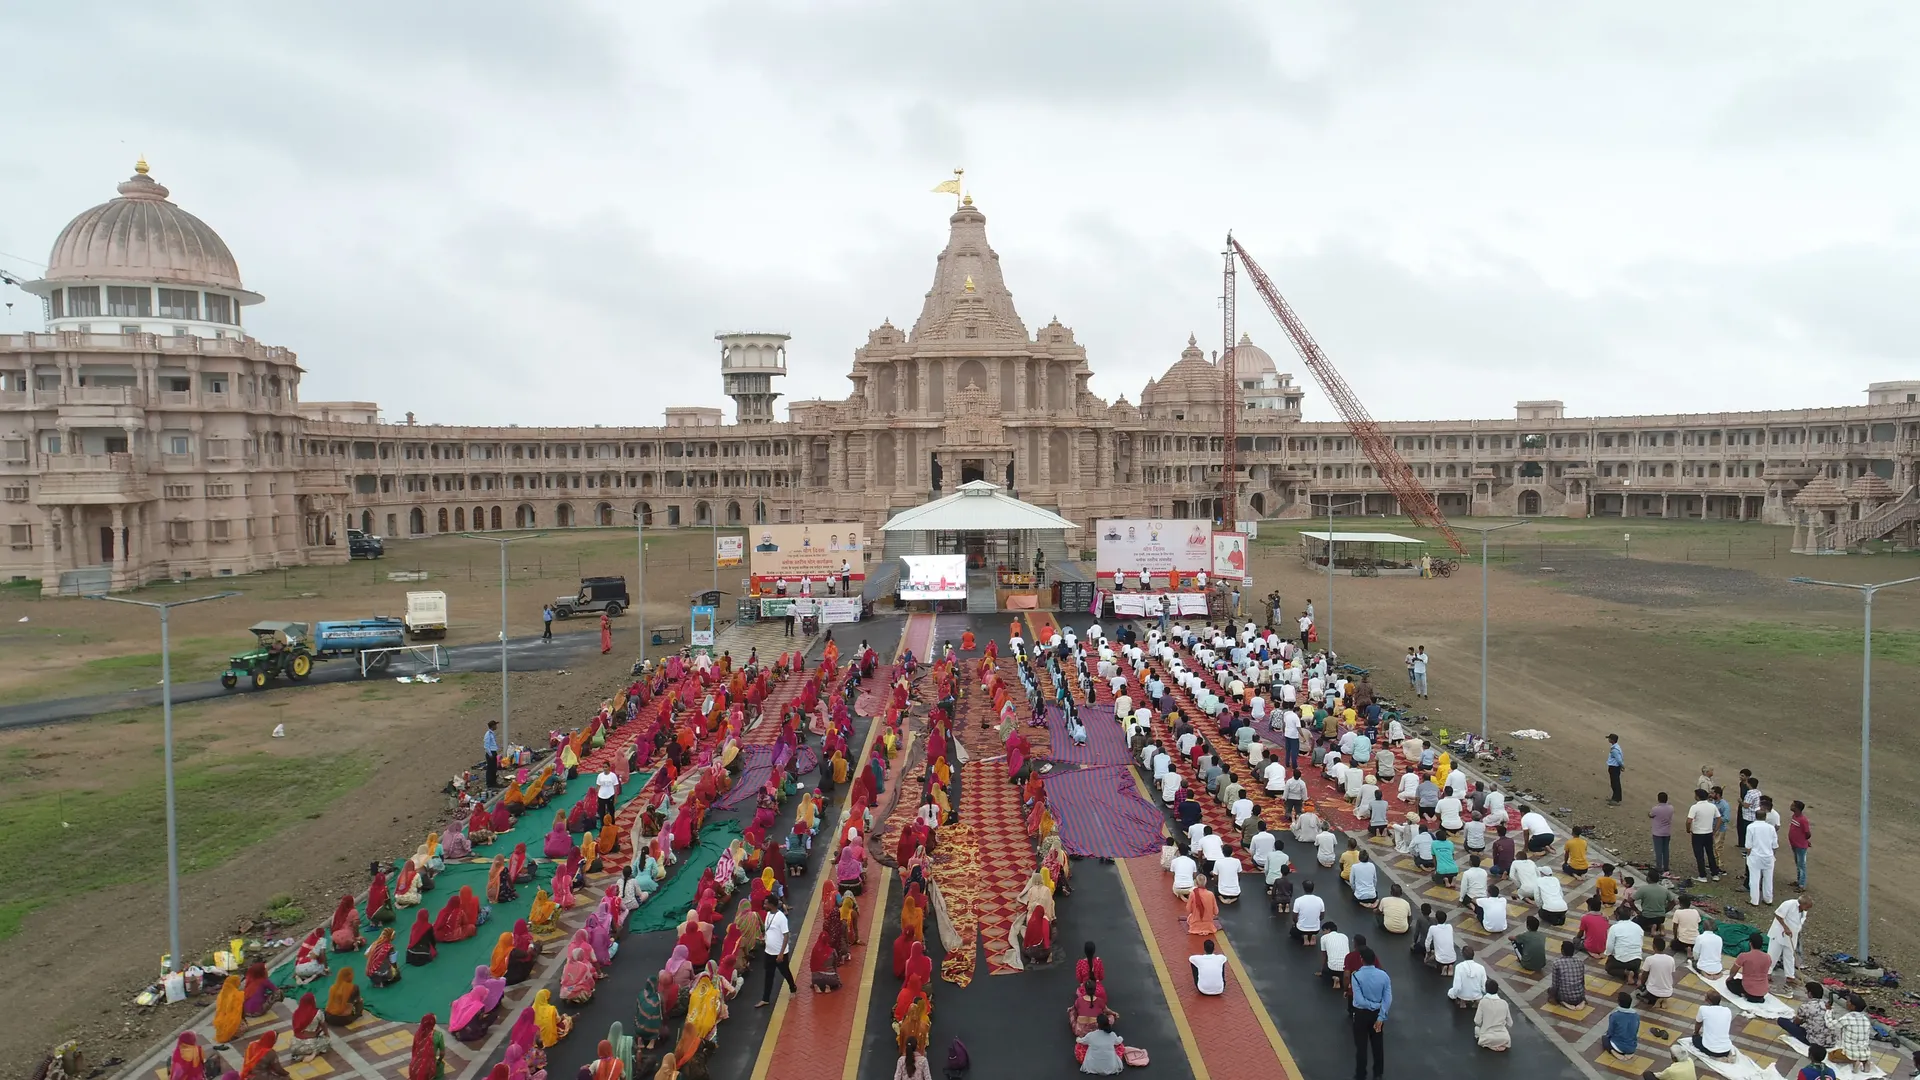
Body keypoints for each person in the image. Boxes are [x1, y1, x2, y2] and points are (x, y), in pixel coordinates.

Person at [1348, 948, 1391, 1080]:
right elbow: (1387, 998)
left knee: (1361, 1047)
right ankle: (1378, 1074)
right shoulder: (1384, 976)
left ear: (1362, 960)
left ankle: (1361, 1074)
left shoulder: (1356, 976)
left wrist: (1372, 1005)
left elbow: (1359, 1000)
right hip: (1377, 1017)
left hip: (1361, 1015)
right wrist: (1380, 1016)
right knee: (1378, 1045)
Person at [757, 898, 795, 1007]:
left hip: (779, 953)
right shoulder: (768, 915)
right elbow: (769, 930)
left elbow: (786, 935)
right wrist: (765, 939)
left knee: (785, 972)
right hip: (768, 952)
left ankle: (793, 988)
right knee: (768, 975)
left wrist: (781, 953)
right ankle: (765, 998)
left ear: (771, 905)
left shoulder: (781, 918)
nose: (764, 905)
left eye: (766, 903)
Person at [1827, 993, 1874, 1069]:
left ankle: (1854, 1062)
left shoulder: (1848, 1018)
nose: (1846, 1002)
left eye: (1848, 1001)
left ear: (1853, 1006)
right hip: (1865, 1053)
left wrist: (1828, 1011)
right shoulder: (1866, 1019)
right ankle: (1865, 1062)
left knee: (1831, 1056)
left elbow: (1830, 1025)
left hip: (1850, 1053)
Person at [1745, 804, 1780, 906]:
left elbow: (1748, 845)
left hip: (1755, 856)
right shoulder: (1771, 828)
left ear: (1755, 816)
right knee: (1768, 879)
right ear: (1765, 817)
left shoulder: (1751, 827)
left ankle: (1754, 900)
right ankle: (1768, 899)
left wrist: (1748, 856)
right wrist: (1772, 855)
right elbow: (1775, 845)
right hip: (1768, 856)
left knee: (1754, 879)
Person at [1770, 896, 1811, 980]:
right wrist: (1785, 928)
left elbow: (1799, 922)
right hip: (1779, 933)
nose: (1807, 909)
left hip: (1792, 936)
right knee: (1773, 954)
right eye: (1807, 907)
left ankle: (1790, 976)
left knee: (1789, 956)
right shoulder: (1789, 904)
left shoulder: (1804, 911)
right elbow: (1778, 915)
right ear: (1802, 904)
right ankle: (1767, 973)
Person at [1687, 788, 1721, 880]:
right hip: (1708, 833)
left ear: (1697, 797)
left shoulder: (1694, 807)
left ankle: (1702, 875)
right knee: (1710, 853)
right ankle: (1715, 874)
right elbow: (1719, 818)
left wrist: (1688, 829)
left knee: (1699, 855)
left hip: (1697, 834)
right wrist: (1715, 830)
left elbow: (1689, 820)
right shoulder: (1712, 806)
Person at [1726, 937, 1771, 1003]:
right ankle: (1754, 996)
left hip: (1749, 989)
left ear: (1750, 944)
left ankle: (1745, 994)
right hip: (1763, 991)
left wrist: (1730, 977)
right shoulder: (1768, 957)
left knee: (1730, 983)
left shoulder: (1743, 956)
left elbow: (1733, 971)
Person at [1694, 990, 1736, 1061]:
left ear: (1708, 1000)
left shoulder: (1703, 1009)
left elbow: (1698, 1023)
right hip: (1726, 1049)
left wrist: (1696, 1033)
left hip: (1710, 1050)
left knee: (1695, 1039)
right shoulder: (1727, 1010)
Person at [1474, 982, 1512, 1051]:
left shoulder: (1483, 1002)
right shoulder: (1504, 1003)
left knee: (1476, 1029)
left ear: (1486, 989)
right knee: (1505, 1037)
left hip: (1487, 1037)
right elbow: (1510, 1023)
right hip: (1504, 1038)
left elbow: (1477, 1021)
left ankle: (1491, 1046)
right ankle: (1499, 1045)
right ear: (1497, 990)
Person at [1550, 940, 1588, 1007]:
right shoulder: (1580, 962)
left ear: (1562, 951)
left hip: (1565, 997)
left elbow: (1555, 984)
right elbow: (1582, 981)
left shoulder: (1557, 963)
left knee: (1549, 991)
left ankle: (1563, 1002)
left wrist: (1552, 996)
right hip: (1579, 996)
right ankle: (1581, 1002)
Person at [1604, 991, 1641, 1058]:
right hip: (1632, 1047)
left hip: (1618, 1047)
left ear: (1619, 1002)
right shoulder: (1636, 1016)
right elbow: (1636, 1031)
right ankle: (1629, 1054)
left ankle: (1614, 1052)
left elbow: (1610, 1032)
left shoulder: (1614, 1015)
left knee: (1604, 1039)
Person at [1648, 792, 1675, 878]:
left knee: (1658, 851)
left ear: (1658, 799)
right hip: (1667, 832)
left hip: (1657, 833)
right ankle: (1666, 867)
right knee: (1666, 850)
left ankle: (1659, 867)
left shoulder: (1655, 809)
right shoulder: (1671, 808)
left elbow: (1651, 815)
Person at [1788, 801, 1812, 891]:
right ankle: (1798, 881)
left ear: (1797, 808)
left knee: (1801, 865)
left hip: (1800, 846)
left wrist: (1804, 840)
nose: (1791, 806)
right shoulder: (1794, 817)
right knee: (1798, 864)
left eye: (1793, 805)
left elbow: (1807, 833)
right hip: (1795, 844)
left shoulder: (1803, 820)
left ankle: (1802, 885)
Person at [1606, 733, 1624, 804]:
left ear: (1612, 740)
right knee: (1614, 782)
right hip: (1615, 767)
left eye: (1609, 738)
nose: (1608, 740)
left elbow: (1619, 759)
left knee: (1615, 783)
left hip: (1614, 767)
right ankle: (1615, 797)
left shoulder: (1614, 749)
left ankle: (1616, 799)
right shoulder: (1616, 747)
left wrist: (1622, 765)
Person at [484, 721, 502, 790]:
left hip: (493, 752)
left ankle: (493, 782)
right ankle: (490, 783)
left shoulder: (491, 734)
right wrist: (490, 754)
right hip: (490, 753)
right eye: (495, 725)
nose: (496, 726)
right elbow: (486, 746)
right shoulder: (488, 734)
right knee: (490, 769)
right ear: (492, 726)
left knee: (494, 768)